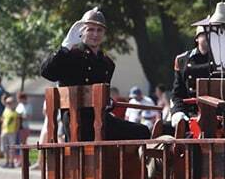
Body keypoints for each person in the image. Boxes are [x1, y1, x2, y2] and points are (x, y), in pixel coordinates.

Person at [40, 7, 149, 141]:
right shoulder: (70, 56)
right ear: (82, 31)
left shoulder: (107, 63)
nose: (95, 34)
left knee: (142, 131)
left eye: (99, 30)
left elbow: (103, 97)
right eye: (90, 29)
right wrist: (65, 47)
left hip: (101, 120)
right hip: (77, 122)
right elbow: (46, 72)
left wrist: (107, 102)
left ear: (104, 33)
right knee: (138, 132)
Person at [169, 25, 216, 131]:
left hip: (215, 114)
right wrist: (177, 112)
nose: (209, 38)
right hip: (189, 113)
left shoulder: (222, 59)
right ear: (197, 38)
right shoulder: (182, 60)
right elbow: (177, 93)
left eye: (212, 35)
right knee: (165, 128)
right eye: (205, 35)